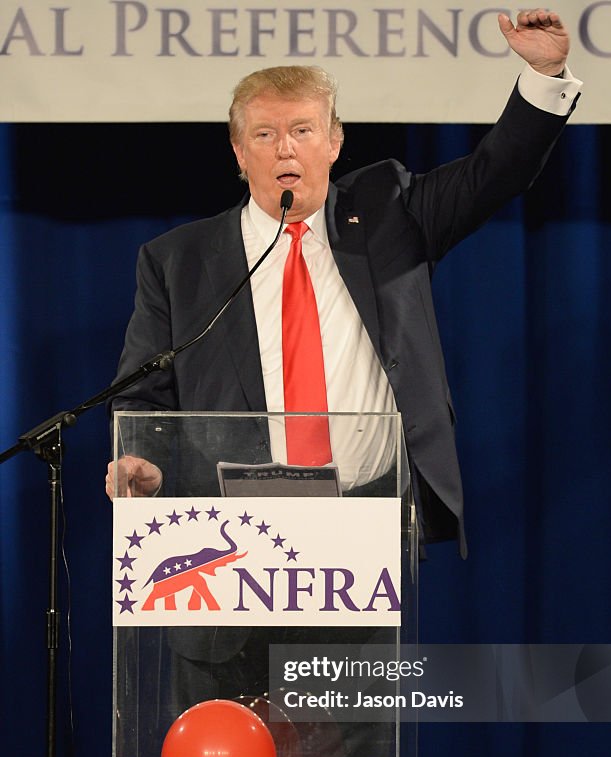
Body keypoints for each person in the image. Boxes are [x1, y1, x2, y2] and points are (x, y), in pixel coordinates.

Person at [106, 9, 581, 560]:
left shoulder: (392, 213)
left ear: (333, 141)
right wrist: (140, 457)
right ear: (239, 152)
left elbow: (496, 172)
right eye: (265, 134)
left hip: (366, 517)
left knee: (344, 656)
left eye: (302, 131)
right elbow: (141, 395)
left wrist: (545, 76)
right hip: (227, 531)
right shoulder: (177, 260)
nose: (286, 148)